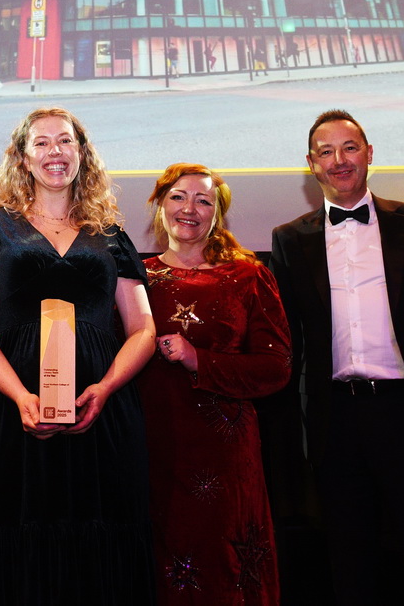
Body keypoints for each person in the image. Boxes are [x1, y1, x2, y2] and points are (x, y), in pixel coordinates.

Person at [0, 107, 156, 605]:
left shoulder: (110, 232)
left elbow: (144, 329)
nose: (55, 153)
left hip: (103, 410)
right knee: (22, 529)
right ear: (22, 157)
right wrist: (20, 395)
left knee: (105, 530)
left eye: (65, 142)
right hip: (17, 408)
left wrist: (106, 389)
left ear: (82, 154)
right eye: (41, 143)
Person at [269, 110, 404, 605]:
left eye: (349, 147)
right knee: (350, 558)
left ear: (369, 153)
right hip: (336, 415)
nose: (339, 160)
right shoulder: (289, 239)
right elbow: (290, 336)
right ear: (311, 164)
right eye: (326, 152)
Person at [139, 163, 290, 605]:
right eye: (178, 197)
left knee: (223, 572)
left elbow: (275, 369)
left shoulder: (248, 276)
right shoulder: (133, 278)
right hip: (151, 449)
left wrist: (197, 359)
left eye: (203, 200)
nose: (190, 208)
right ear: (159, 205)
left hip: (225, 460)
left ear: (217, 215)